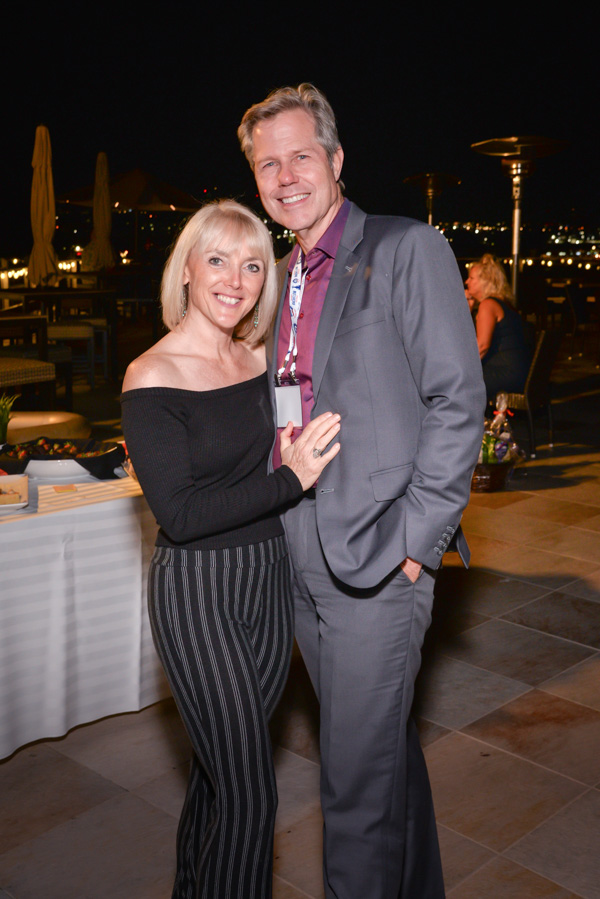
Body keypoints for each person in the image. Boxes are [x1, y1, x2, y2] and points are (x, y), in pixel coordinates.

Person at [237, 84, 486, 899]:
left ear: (337, 159)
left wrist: (416, 542)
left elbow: (458, 400)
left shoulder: (407, 247)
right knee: (381, 759)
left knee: (352, 791)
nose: (285, 177)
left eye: (300, 156)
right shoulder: (279, 276)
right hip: (299, 553)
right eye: (267, 164)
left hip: (380, 556)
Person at [120, 199, 340, 899]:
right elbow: (181, 515)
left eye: (251, 265)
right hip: (197, 593)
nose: (235, 280)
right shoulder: (151, 374)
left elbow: (276, 443)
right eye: (217, 260)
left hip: (266, 580)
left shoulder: (259, 358)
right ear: (186, 270)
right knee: (251, 792)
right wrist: (290, 479)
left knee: (218, 774)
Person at [465, 253, 531, 403]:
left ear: (485, 281)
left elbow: (481, 347)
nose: (466, 281)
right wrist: (467, 310)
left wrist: (458, 367)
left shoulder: (488, 305)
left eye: (471, 278)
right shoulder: (502, 302)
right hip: (518, 371)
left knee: (454, 381)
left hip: (505, 373)